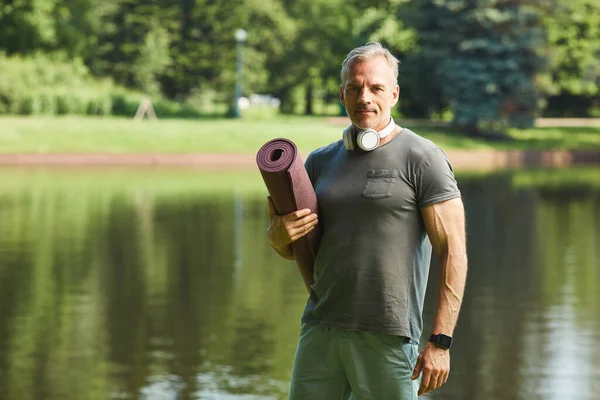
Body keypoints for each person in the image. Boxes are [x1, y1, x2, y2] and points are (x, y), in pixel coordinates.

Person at [267, 42, 468, 400]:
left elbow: (453, 251)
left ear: (393, 93)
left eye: (375, 88)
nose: (365, 97)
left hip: (388, 336)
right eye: (354, 87)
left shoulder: (423, 158)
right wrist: (278, 236)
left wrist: (441, 340)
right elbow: (294, 248)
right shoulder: (318, 162)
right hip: (319, 329)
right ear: (342, 94)